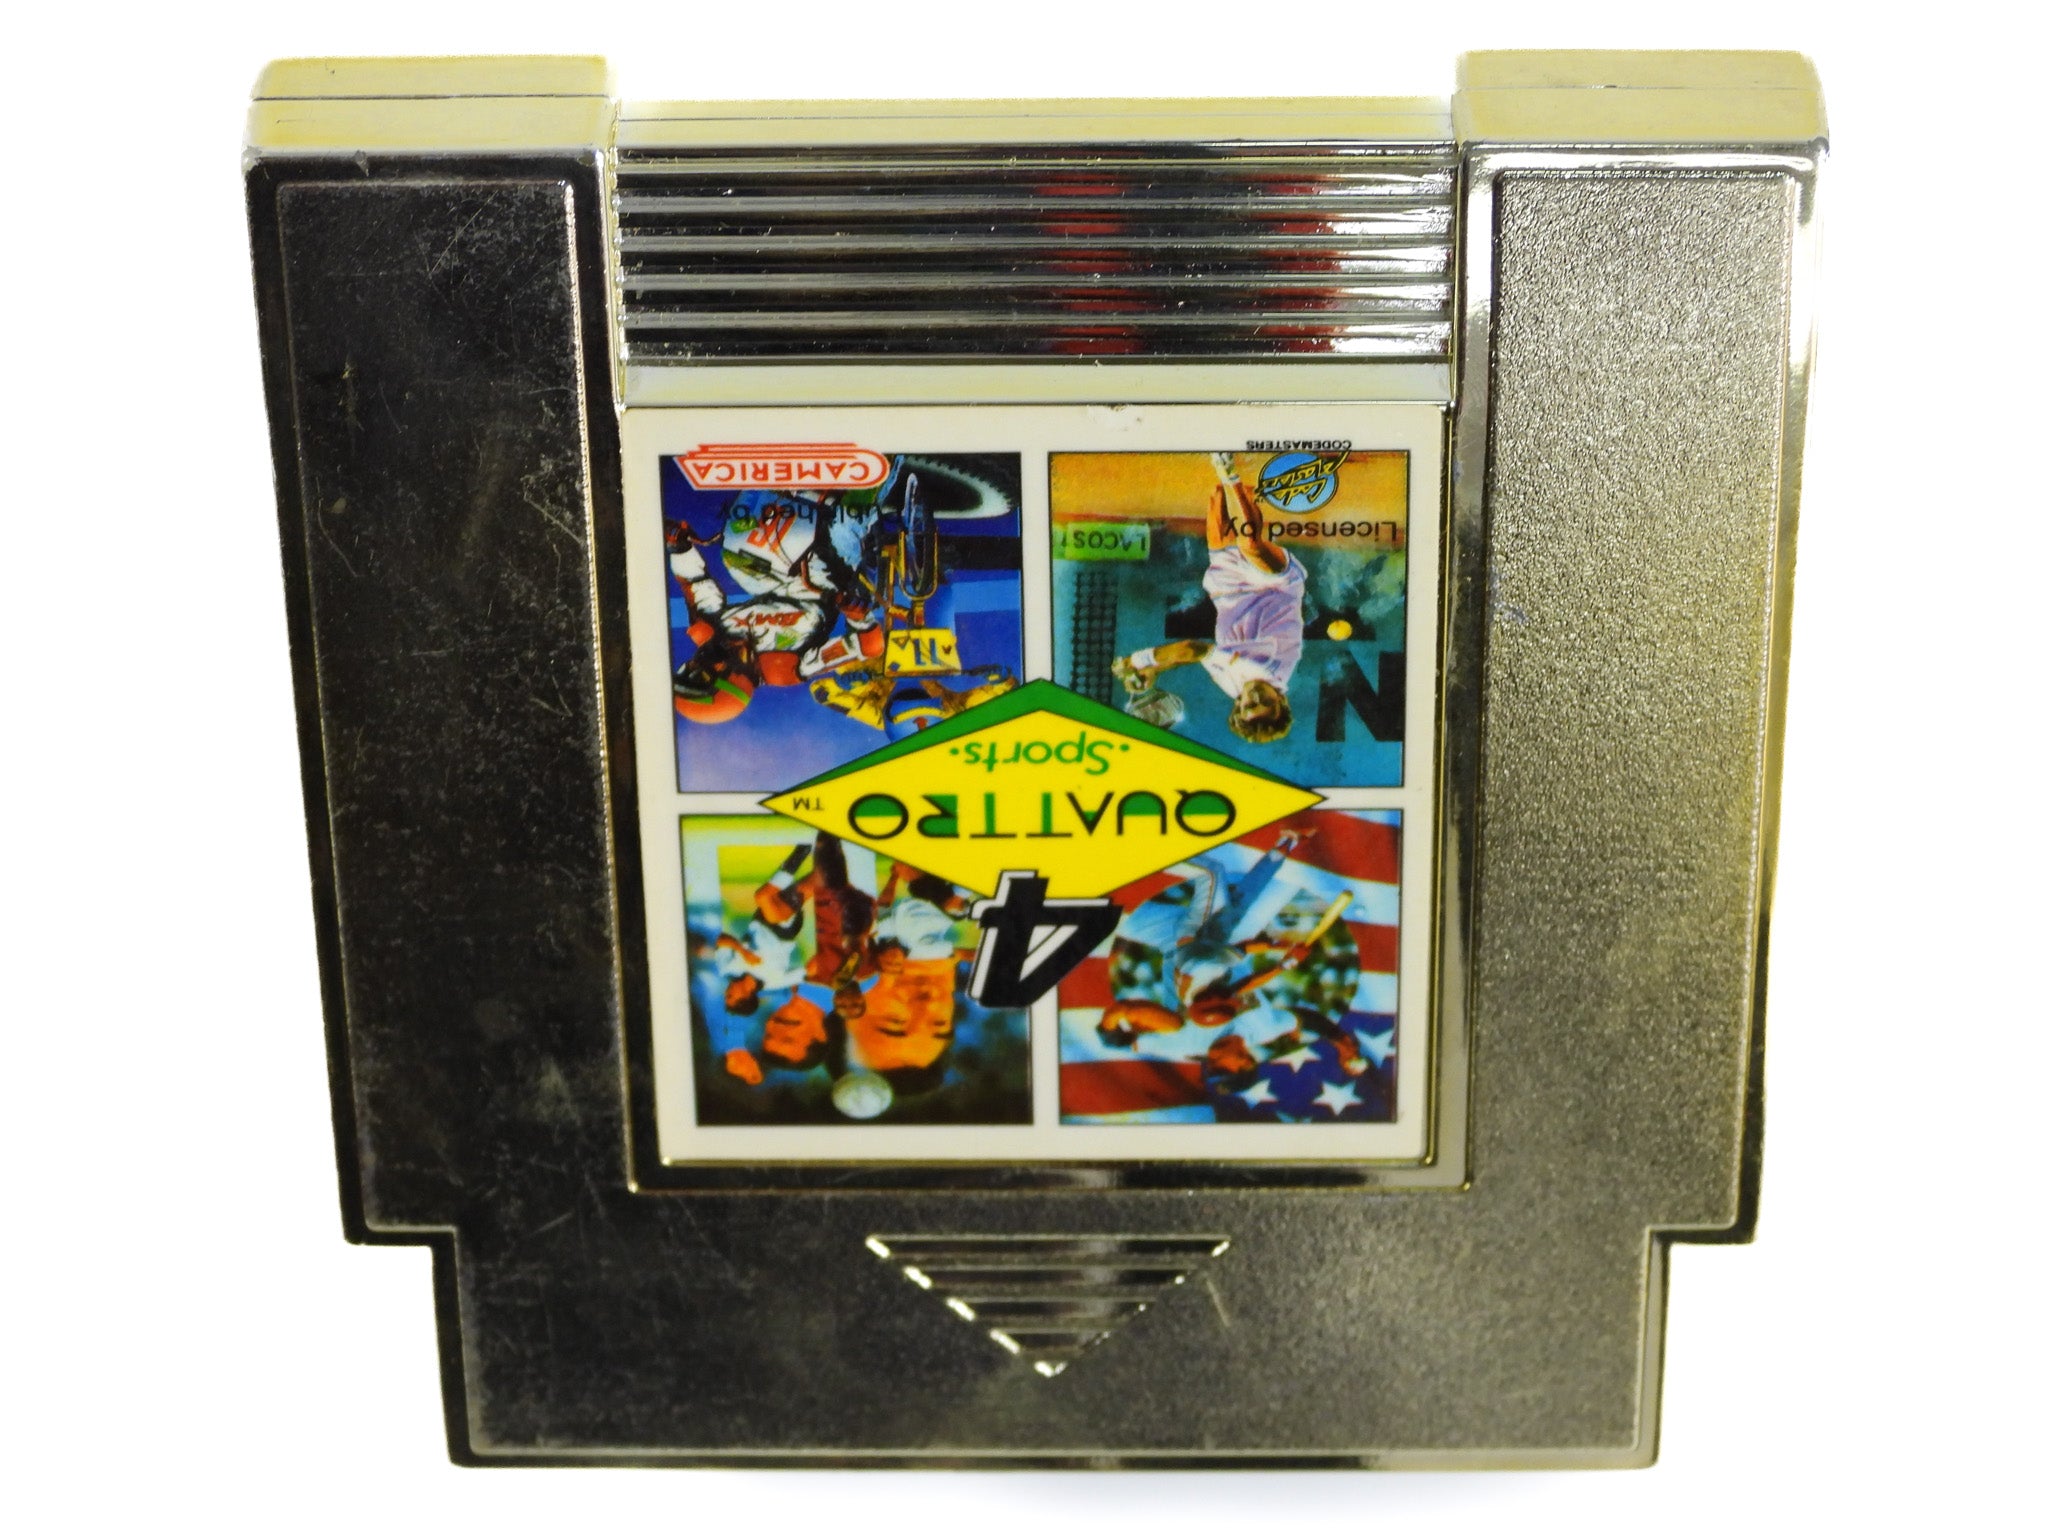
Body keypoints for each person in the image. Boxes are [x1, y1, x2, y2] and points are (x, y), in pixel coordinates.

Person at [1113, 472, 1305, 745]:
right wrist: (1139, 661)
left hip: (1229, 588)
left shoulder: (1232, 686)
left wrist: (1156, 670)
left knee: (1217, 499)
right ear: (1281, 700)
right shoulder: (1269, 669)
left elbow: (1199, 658)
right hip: (1276, 586)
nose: (1256, 696)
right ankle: (1232, 476)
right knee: (1250, 545)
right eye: (1266, 702)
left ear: (1238, 706)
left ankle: (1240, 488)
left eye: (1250, 704)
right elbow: (1194, 649)